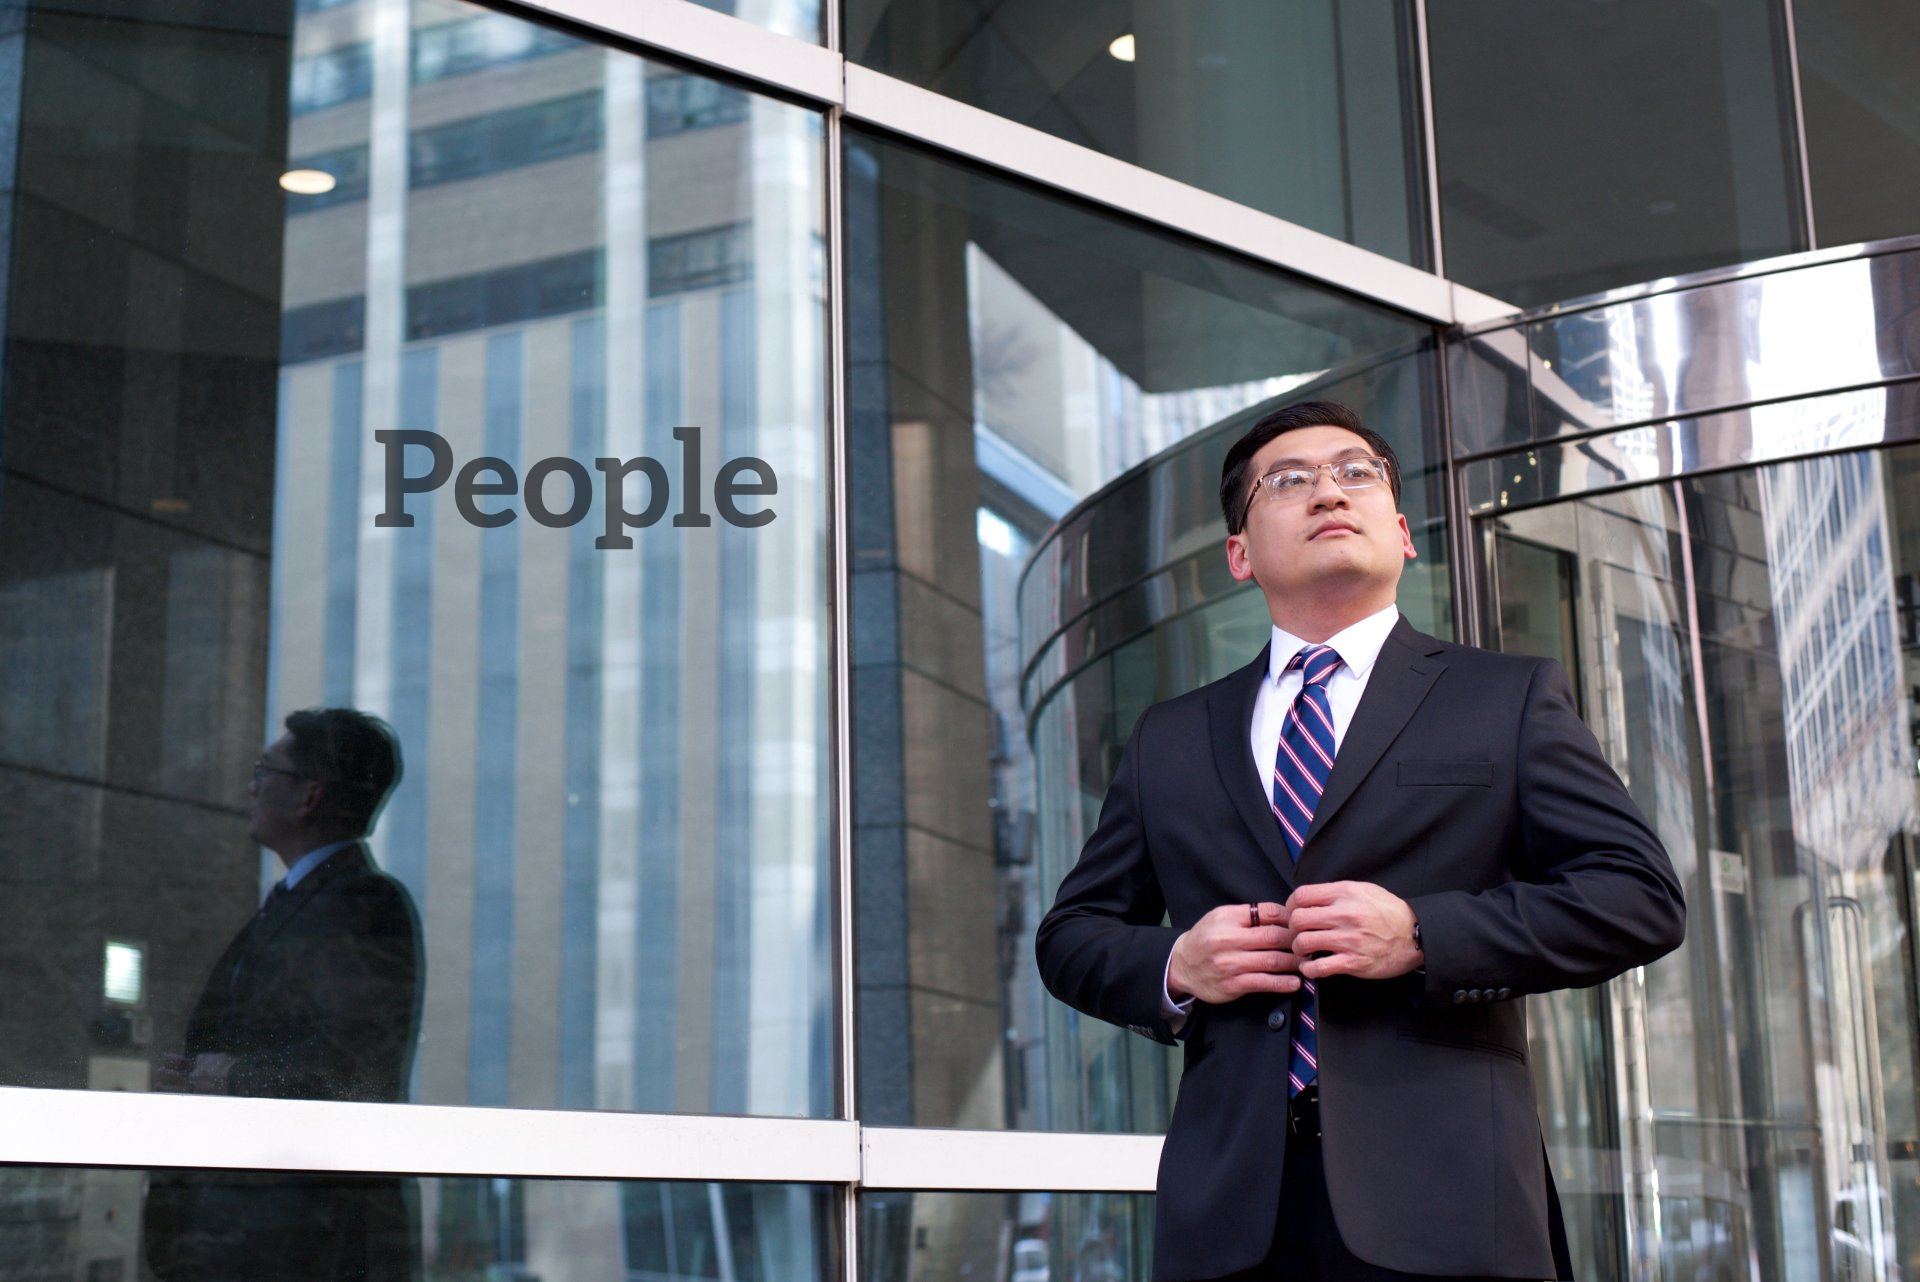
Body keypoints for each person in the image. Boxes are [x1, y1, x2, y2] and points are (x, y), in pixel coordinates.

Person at [1035, 401, 1685, 1282]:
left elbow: (1638, 896)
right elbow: (1072, 935)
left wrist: (1422, 934)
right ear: (1240, 556)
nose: (1327, 493)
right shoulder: (1170, 737)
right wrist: (1178, 966)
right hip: (1231, 1216)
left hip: (1451, 1207)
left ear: (1405, 534)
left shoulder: (1507, 697)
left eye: (1356, 473)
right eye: (1289, 481)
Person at [144, 707, 423, 1282]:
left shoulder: (362, 904)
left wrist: (228, 1076)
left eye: (263, 771)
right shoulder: (306, 901)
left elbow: (355, 1070)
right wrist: (200, 1073)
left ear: (308, 797)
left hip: (300, 1244)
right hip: (263, 1236)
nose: (250, 786)